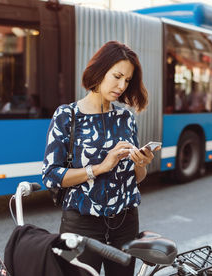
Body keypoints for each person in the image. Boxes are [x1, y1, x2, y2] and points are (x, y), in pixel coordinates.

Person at [42, 41, 157, 276]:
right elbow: (51, 176)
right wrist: (101, 167)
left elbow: (136, 179)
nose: (121, 86)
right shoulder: (67, 116)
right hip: (82, 224)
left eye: (127, 80)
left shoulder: (126, 118)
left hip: (125, 222)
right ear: (99, 70)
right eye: (117, 76)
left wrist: (141, 165)